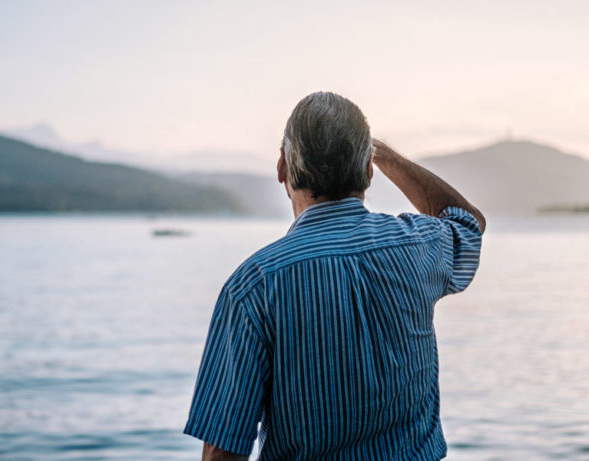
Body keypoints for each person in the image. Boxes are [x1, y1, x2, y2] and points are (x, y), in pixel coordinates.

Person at [183, 92, 485, 460]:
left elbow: (222, 452)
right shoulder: (420, 245)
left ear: (282, 168)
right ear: (370, 171)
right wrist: (384, 153)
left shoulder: (254, 286)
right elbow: (467, 222)